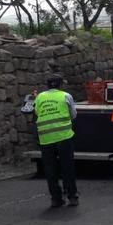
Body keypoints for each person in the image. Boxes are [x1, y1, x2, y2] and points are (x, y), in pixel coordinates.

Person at [34, 74, 79, 207]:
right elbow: (73, 115)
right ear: (61, 85)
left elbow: (37, 112)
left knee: (50, 169)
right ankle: (72, 196)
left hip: (45, 138)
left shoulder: (39, 97)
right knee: (67, 167)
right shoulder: (65, 96)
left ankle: (55, 198)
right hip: (64, 136)